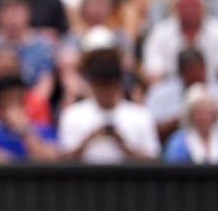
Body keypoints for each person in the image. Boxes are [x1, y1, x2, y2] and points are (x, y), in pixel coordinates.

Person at [57, 35, 159, 163]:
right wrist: (86, 141)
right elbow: (62, 162)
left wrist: (125, 146)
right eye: (101, 86)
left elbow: (154, 161)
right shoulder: (72, 115)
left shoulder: (141, 116)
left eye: (110, 86)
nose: (106, 92)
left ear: (119, 83)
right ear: (92, 85)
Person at [0, 75, 58, 162]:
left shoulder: (43, 130)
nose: (15, 107)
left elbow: (51, 160)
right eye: (9, 101)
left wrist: (26, 131)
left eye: (20, 100)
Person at [164, 84, 218, 163]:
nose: (204, 118)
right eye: (199, 113)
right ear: (190, 115)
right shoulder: (177, 142)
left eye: (207, 112)